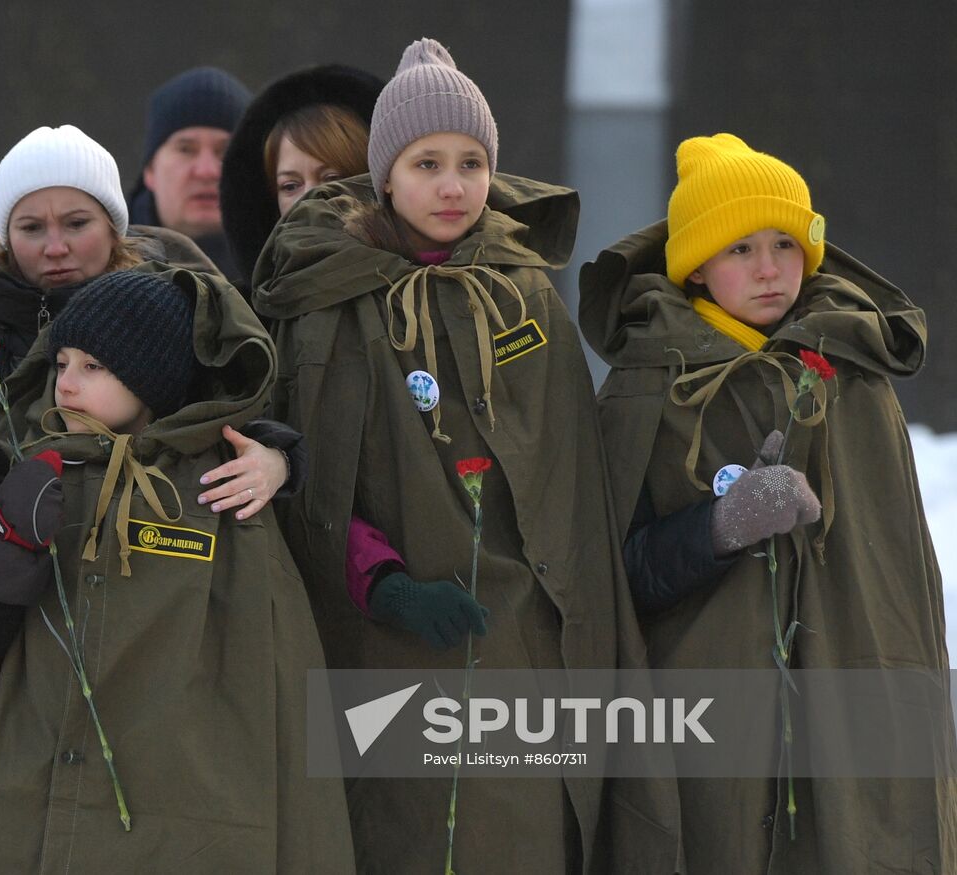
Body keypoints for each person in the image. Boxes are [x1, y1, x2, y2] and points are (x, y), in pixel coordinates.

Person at [251, 38, 678, 873]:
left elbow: (573, 484)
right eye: (427, 162)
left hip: (528, 647)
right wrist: (383, 580)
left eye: (473, 162)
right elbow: (313, 483)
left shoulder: (526, 295)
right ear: (384, 176)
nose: (453, 185)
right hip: (387, 641)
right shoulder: (326, 305)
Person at [579, 132, 957, 874]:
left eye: (785, 242)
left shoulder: (855, 377)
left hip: (856, 721)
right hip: (705, 727)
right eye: (739, 248)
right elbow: (613, 578)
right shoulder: (646, 390)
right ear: (695, 268)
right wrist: (720, 527)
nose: (769, 267)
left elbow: (902, 585)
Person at [0, 269, 356, 873]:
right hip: (42, 797)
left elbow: (277, 672)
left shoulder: (220, 487)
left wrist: (281, 457)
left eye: (94, 367)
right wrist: (5, 544)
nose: (67, 385)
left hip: (188, 812)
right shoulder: (37, 470)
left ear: (153, 377)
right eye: (62, 364)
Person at [0, 124, 302, 507]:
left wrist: (279, 460)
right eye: (32, 228)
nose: (55, 247)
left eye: (76, 223)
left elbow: (245, 406)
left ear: (113, 228)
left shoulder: (174, 308)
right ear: (7, 236)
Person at [220, 63, 382, 295]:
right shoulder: (245, 321)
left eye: (331, 178)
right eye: (290, 186)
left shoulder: (426, 295)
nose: (309, 199)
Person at [127, 66, 251, 278]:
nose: (207, 171)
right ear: (150, 170)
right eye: (186, 149)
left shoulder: (287, 273)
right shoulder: (94, 263)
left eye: (225, 151)